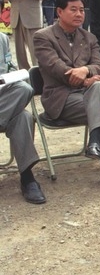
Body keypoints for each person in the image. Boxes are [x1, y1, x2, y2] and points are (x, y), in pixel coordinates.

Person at [33, 0, 100, 161]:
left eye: (81, 10)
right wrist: (86, 80)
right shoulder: (43, 37)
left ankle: (96, 143)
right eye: (73, 10)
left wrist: (86, 70)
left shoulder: (90, 38)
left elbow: (99, 67)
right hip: (60, 97)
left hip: (89, 95)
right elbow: (56, 67)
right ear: (59, 11)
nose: (79, 14)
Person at [0, 32, 45, 204]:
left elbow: (7, 66)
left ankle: (27, 178)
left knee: (24, 92)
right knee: (22, 116)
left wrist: (14, 74)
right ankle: (28, 178)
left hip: (3, 99)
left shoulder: (2, 39)